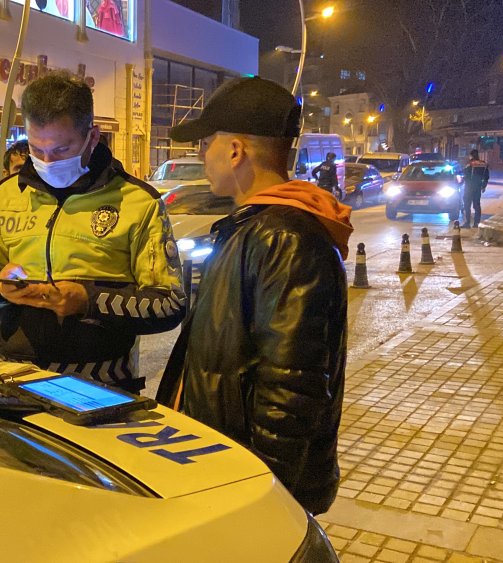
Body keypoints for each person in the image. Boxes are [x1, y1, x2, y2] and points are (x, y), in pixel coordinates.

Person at [156, 77, 353, 515]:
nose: (201, 155)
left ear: (235, 151)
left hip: (247, 484)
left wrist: (263, 498)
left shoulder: (285, 238)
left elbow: (291, 387)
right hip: (219, 463)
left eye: (205, 143)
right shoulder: (254, 227)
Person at [0, 71, 185, 393]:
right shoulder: (6, 196)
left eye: (62, 150)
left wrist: (87, 300)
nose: (47, 162)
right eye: (36, 150)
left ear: (92, 137)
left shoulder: (138, 202)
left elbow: (169, 305)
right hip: (14, 379)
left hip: (102, 386)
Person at [462, 149, 489, 228]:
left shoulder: (469, 164)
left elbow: (465, 175)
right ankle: (476, 223)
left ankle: (467, 223)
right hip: (478, 187)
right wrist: (483, 186)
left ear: (471, 156)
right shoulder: (483, 164)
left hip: (469, 187)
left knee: (467, 205)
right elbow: (486, 177)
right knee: (477, 205)